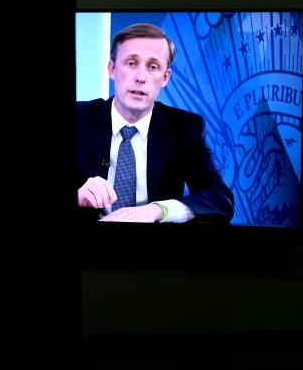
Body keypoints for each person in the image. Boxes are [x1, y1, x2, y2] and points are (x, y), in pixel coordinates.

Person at [76, 23, 234, 223]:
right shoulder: (79, 118)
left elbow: (219, 199)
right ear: (112, 69)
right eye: (131, 63)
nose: (141, 78)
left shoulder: (185, 128)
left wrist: (158, 210)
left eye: (153, 67)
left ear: (165, 78)